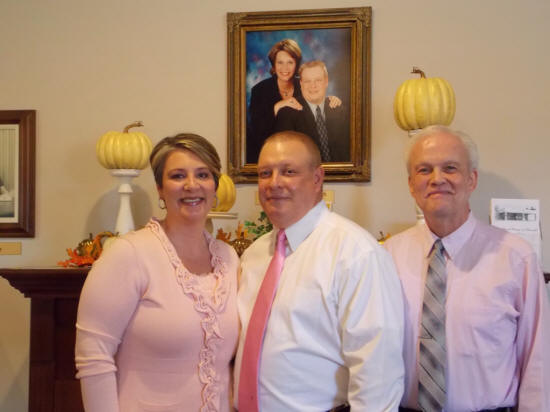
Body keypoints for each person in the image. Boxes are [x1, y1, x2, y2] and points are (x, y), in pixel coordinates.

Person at [234, 131, 405, 411]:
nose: (274, 183)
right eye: (265, 173)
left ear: (317, 178)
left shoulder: (355, 253)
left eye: (288, 171)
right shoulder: (253, 256)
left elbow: (378, 370)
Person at [384, 125, 550, 411]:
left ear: (472, 179)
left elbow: (538, 360)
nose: (437, 179)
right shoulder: (386, 257)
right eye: (424, 170)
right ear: (411, 184)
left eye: (450, 168)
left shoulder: (515, 258)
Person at [75, 133, 239, 412]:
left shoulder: (229, 258)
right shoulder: (129, 253)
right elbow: (93, 356)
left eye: (202, 174)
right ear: (160, 189)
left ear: (215, 185)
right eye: (177, 176)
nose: (191, 185)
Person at [247, 40, 341, 164]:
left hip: (301, 155)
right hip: (267, 154)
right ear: (274, 65)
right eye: (280, 62)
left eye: (290, 62)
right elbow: (256, 131)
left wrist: (330, 100)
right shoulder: (259, 90)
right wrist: (277, 107)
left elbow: (316, 107)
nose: (285, 68)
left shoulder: (304, 84)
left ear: (296, 64)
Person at [274, 61, 350, 162]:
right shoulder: (287, 114)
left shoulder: (340, 110)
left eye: (318, 80)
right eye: (307, 81)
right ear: (301, 84)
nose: (313, 86)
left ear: (326, 81)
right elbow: (286, 157)